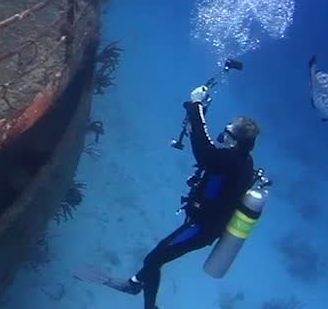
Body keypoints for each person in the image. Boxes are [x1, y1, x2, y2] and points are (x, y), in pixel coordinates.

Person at [91, 85, 260, 309]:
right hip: (205, 223)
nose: (223, 135)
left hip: (202, 228)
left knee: (154, 259)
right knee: (158, 257)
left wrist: (196, 105)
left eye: (227, 132)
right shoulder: (243, 161)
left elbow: (205, 151)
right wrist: (197, 115)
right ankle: (135, 283)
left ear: (234, 141)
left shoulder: (229, 161)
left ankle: (146, 302)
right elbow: (208, 149)